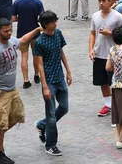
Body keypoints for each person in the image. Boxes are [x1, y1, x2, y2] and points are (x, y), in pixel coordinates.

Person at [0, 18, 41, 164]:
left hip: (12, 90)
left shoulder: (11, 42)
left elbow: (22, 39)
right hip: (0, 92)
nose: (9, 33)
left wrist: (36, 30)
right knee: (0, 124)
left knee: (17, 116)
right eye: (6, 31)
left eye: (10, 30)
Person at [33, 11, 72, 156]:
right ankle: (51, 145)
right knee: (51, 115)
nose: (55, 23)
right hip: (49, 81)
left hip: (60, 78)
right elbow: (39, 65)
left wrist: (68, 70)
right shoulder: (39, 42)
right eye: (53, 22)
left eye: (56, 21)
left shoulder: (58, 34)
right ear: (45, 24)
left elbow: (61, 52)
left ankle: (42, 125)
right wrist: (44, 86)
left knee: (64, 108)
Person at [89, 0, 122, 117]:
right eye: (99, 1)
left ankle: (117, 105)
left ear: (110, 1)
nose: (101, 3)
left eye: (104, 1)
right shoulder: (95, 16)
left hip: (114, 55)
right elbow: (92, 33)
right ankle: (108, 104)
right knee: (103, 82)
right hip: (99, 54)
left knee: (115, 82)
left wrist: (110, 33)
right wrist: (91, 49)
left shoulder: (118, 17)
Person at [12, 0, 44, 88]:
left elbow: (13, 18)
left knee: (24, 57)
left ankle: (26, 80)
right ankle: (36, 75)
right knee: (36, 56)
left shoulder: (17, 2)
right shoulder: (37, 2)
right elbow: (43, 17)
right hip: (35, 33)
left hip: (22, 33)